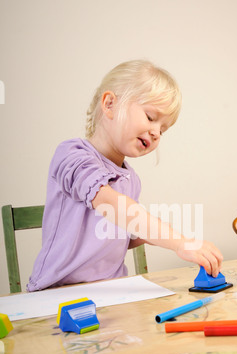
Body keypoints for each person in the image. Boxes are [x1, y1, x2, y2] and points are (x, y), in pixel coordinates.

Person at [27, 59, 223, 292]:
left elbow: (119, 235)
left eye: (163, 129)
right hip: (56, 291)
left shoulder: (131, 179)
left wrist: (165, 233)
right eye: (151, 117)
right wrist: (179, 243)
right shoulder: (72, 155)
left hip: (112, 289)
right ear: (109, 104)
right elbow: (110, 204)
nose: (156, 132)